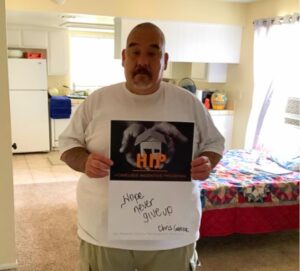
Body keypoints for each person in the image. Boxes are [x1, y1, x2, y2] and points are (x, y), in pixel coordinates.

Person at [59, 22, 224, 271]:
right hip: (104, 233)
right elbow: (67, 144)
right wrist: (84, 162)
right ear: (124, 57)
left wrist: (208, 162)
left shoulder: (188, 103)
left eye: (152, 53)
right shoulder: (97, 101)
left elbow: (215, 143)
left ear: (164, 59)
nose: (142, 61)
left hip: (172, 233)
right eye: (135, 52)